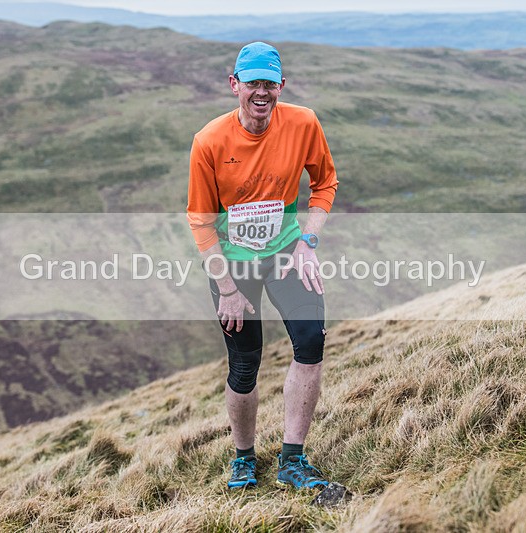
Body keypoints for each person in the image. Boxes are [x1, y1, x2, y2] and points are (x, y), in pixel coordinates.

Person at [187, 42, 339, 490]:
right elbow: (200, 220)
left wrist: (309, 240)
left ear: (281, 86)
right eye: (252, 82)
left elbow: (326, 181)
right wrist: (228, 287)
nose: (261, 92)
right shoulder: (209, 141)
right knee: (244, 364)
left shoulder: (303, 122)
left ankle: (293, 458)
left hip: (288, 253)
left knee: (311, 342)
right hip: (234, 266)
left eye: (269, 84)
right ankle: (243, 457)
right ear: (234, 85)